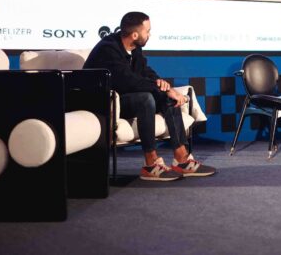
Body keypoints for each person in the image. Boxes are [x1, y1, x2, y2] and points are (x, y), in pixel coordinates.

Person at [83, 12, 216, 181]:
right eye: (148, 31)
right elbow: (128, 81)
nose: (150, 34)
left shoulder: (134, 48)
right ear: (135, 35)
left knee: (168, 98)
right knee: (146, 98)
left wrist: (163, 85)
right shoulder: (107, 49)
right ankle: (150, 164)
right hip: (105, 103)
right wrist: (162, 89)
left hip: (124, 98)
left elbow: (145, 71)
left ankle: (182, 159)